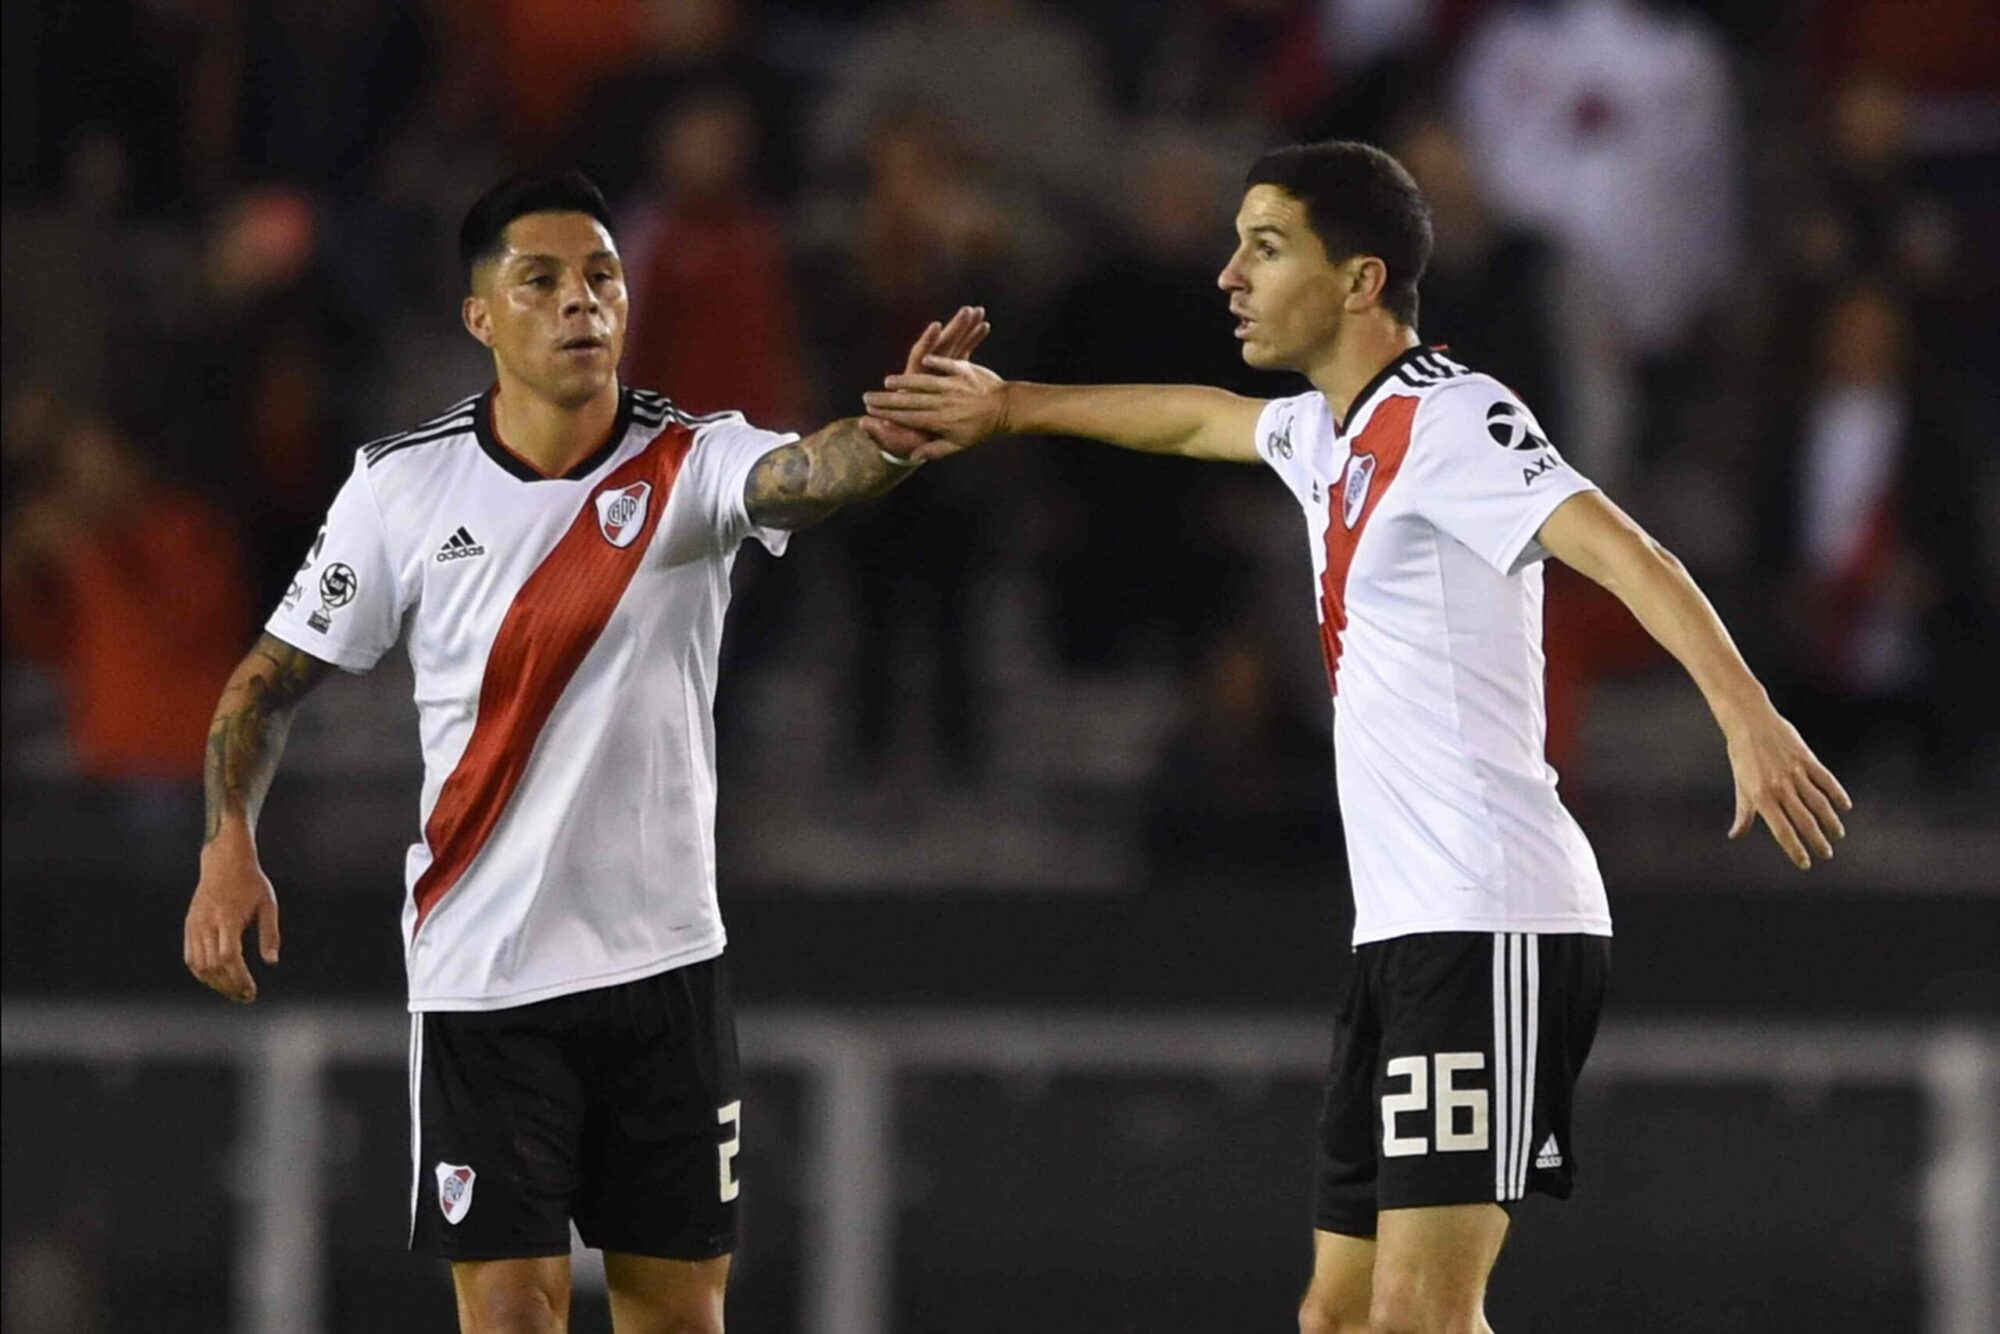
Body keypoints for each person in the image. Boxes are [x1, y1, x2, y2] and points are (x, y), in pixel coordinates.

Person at [863, 140, 1851, 1334]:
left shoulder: (1456, 415)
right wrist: (1012, 405)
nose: (1229, 274)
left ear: (1359, 280)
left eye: (1264, 247)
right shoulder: (1327, 432)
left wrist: (1745, 715)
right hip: (1398, 933)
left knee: (1418, 1315)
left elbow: (1624, 550)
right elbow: (1197, 422)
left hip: (1488, 914)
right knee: (1336, 1317)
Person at [180, 170, 986, 1334]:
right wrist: (227, 843)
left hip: (664, 966)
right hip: (483, 974)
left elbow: (810, 472)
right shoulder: (402, 486)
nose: (580, 301)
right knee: (513, 1311)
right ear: (479, 315)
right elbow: (267, 679)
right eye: (542, 279)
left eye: (602, 276)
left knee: (679, 1317)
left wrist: (892, 440)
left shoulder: (693, 463)